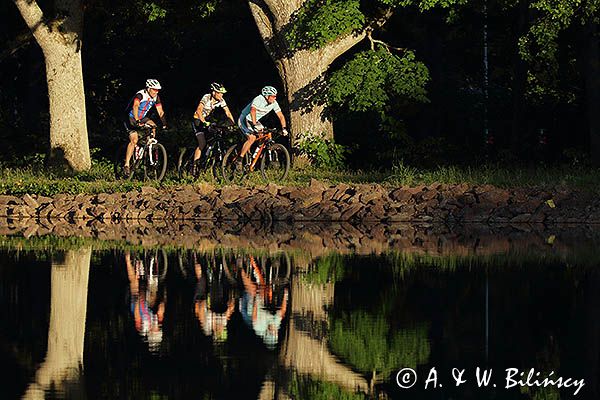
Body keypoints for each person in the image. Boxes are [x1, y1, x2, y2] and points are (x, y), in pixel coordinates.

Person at [124, 79, 167, 175]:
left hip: (142, 117)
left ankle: (148, 146)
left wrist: (164, 124)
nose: (156, 92)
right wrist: (137, 120)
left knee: (153, 126)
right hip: (130, 117)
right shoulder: (140, 95)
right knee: (134, 140)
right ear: (148, 88)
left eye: (158, 90)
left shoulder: (156, 97)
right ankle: (126, 164)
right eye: (154, 89)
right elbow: (135, 106)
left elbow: (160, 111)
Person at [237, 86, 288, 164]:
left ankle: (256, 155)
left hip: (254, 120)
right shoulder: (258, 99)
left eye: (275, 96)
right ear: (267, 96)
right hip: (245, 119)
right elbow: (253, 111)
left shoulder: (274, 103)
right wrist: (254, 124)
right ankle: (239, 160)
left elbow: (280, 116)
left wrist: (284, 128)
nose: (275, 98)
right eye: (273, 96)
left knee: (264, 135)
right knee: (252, 138)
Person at [192, 83, 235, 173]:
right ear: (214, 92)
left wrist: (233, 124)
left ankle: (208, 160)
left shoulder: (221, 100)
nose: (221, 95)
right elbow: (199, 110)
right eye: (219, 93)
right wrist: (204, 122)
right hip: (198, 121)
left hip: (207, 120)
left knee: (216, 135)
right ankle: (194, 166)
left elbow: (228, 113)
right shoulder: (207, 97)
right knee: (202, 143)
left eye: (222, 93)